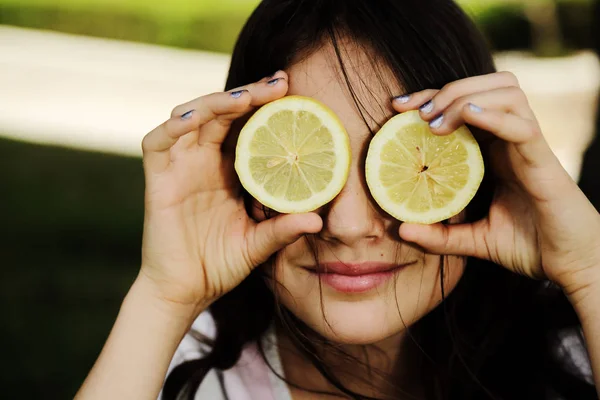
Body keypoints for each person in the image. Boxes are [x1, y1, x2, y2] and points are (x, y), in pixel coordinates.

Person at [75, 0, 600, 399]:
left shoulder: (573, 351)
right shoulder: (180, 368)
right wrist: (164, 297)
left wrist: (590, 268)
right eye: (306, 166)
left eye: (398, 165)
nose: (348, 226)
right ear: (241, 172)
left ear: (482, 174)